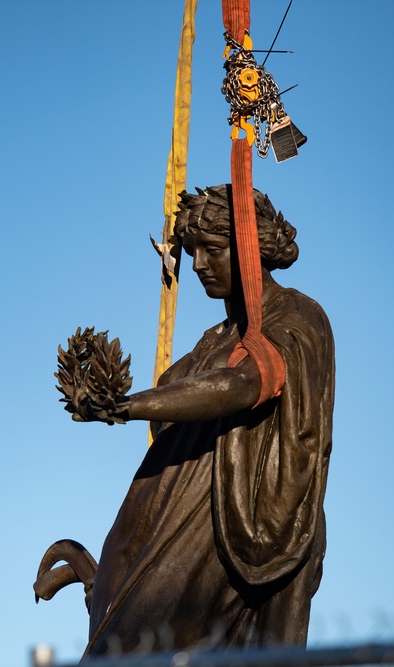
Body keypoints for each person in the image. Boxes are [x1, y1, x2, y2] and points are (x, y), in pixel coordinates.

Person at [56, 185, 335, 655]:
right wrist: (103, 576)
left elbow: (246, 384)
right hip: (164, 545)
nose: (200, 264)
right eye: (192, 251)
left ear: (250, 246)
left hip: (235, 538)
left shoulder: (296, 317)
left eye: (213, 249)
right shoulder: (210, 342)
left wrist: (127, 405)